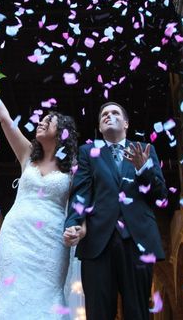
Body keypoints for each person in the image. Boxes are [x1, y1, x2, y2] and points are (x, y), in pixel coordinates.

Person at [0, 74, 79, 319]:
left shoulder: (74, 168)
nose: (41, 123)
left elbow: (82, 205)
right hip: (16, 235)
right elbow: (4, 119)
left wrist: (78, 229)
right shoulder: (26, 155)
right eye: (41, 120)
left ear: (63, 132)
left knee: (47, 291)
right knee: (11, 289)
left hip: (52, 240)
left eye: (49, 121)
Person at [64, 102, 169, 320]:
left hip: (137, 240)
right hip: (97, 241)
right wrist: (73, 223)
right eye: (104, 114)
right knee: (99, 312)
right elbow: (81, 191)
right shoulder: (88, 152)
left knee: (137, 312)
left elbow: (160, 195)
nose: (108, 116)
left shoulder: (146, 149)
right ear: (100, 127)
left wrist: (143, 169)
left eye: (115, 113)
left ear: (126, 123)